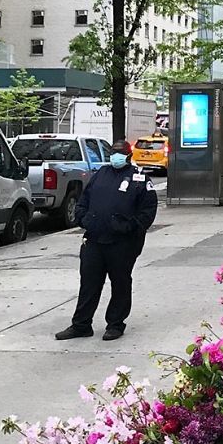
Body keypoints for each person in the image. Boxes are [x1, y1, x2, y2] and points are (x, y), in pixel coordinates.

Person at [55, 140, 158, 342]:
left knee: (120, 283)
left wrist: (130, 227)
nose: (116, 157)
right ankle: (81, 325)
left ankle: (115, 324)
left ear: (128, 156)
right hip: (94, 239)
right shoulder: (101, 174)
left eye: (120, 153)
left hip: (122, 243)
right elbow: (83, 201)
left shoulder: (139, 178)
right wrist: (83, 219)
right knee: (89, 283)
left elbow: (148, 210)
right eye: (113, 153)